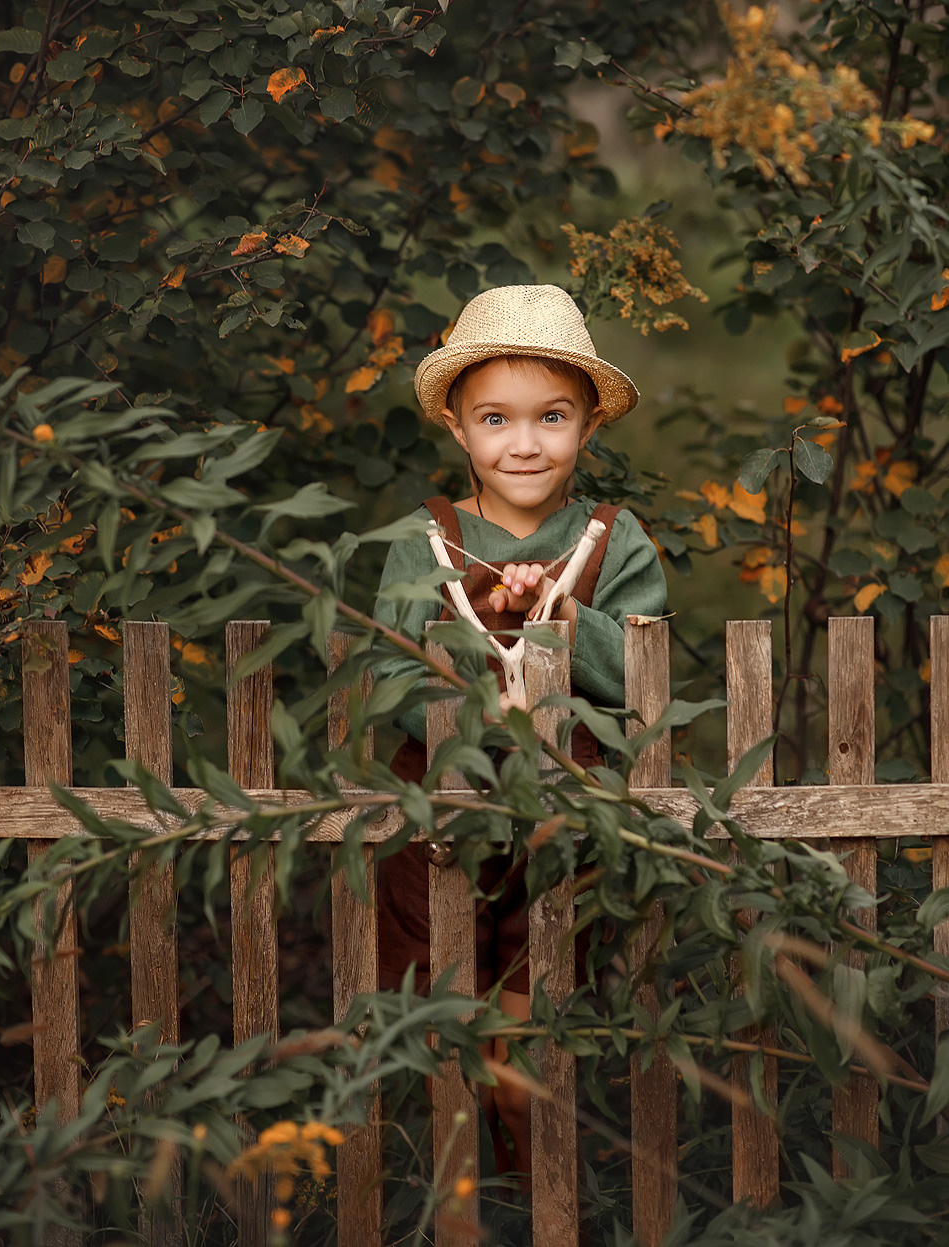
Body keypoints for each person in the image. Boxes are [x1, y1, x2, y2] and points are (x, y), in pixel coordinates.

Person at [371, 283, 667, 1184]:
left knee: (539, 1011)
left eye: (552, 417)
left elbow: (645, 683)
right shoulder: (426, 542)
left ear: (585, 426)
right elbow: (385, 688)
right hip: (441, 815)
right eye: (496, 418)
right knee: (438, 1005)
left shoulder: (615, 541)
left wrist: (561, 619)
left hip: (569, 811)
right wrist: (469, 631)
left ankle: (539, 1191)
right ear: (459, 429)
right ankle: (441, 1188)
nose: (525, 442)